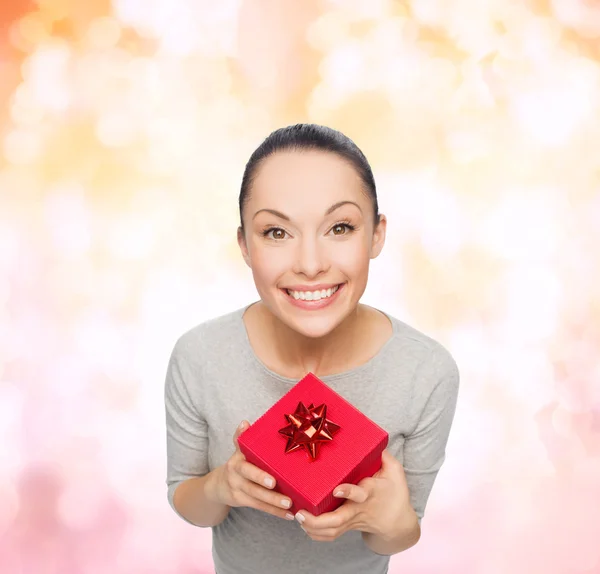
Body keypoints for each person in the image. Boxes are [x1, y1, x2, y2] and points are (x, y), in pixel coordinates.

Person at [164, 123, 460, 574]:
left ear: (376, 235)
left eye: (339, 227)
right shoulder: (199, 357)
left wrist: (385, 516)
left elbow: (401, 534)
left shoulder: (427, 372)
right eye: (276, 233)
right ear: (244, 244)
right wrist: (222, 487)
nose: (310, 264)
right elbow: (187, 500)